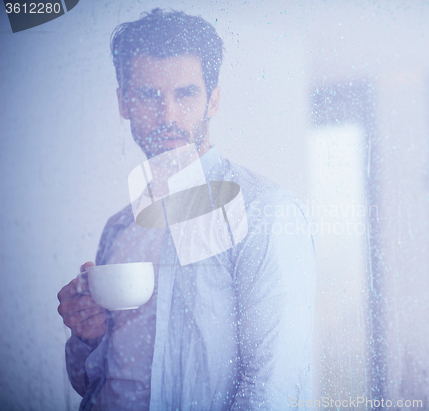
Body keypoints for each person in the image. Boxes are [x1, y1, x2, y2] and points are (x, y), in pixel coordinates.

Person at [57, 8, 316, 411]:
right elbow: (89, 383)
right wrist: (86, 335)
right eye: (148, 95)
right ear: (124, 103)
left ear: (213, 99)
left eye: (186, 93)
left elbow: (273, 391)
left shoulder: (267, 213)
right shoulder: (118, 229)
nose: (167, 115)